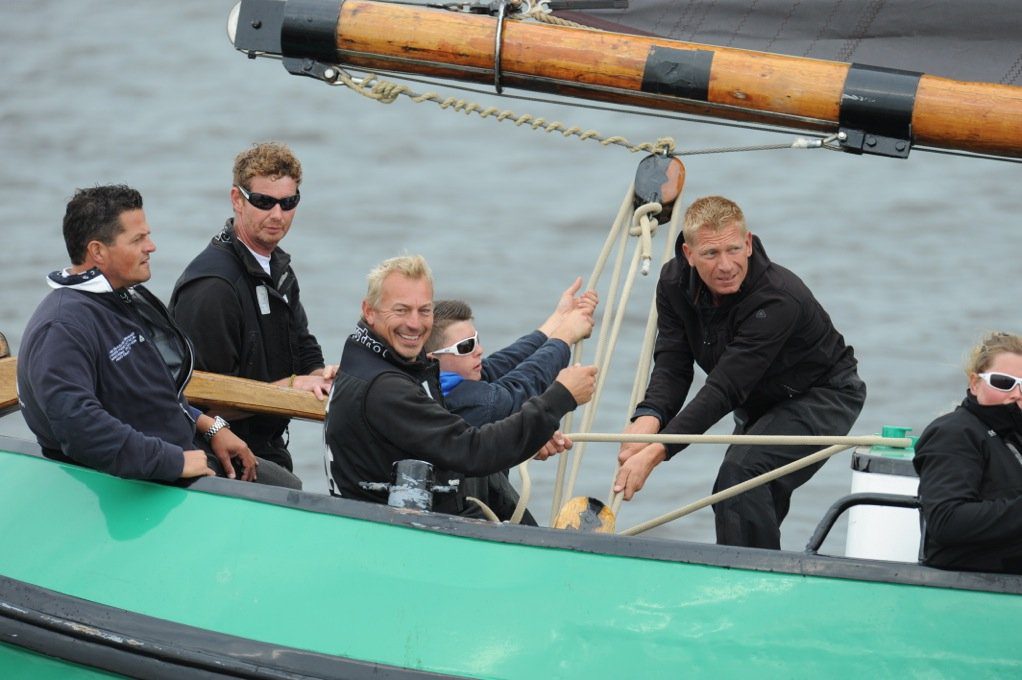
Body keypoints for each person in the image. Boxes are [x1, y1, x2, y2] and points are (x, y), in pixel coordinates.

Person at [614, 195, 866, 549]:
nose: (726, 265)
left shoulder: (777, 298)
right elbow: (672, 363)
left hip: (823, 394)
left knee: (740, 477)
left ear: (748, 244)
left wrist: (658, 451)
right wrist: (649, 417)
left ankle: (748, 584)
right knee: (743, 490)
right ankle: (760, 575)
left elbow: (724, 389)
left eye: (733, 249)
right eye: (711, 254)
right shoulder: (673, 283)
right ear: (688, 254)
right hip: (758, 399)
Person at [17, 185, 299, 487]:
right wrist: (173, 461)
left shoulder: (119, 298)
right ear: (97, 251)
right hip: (149, 477)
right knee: (288, 496)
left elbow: (144, 394)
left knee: (288, 485)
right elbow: (77, 425)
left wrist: (207, 425)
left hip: (182, 446)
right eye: (138, 239)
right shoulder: (62, 327)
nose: (151, 246)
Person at [323, 254, 598, 518]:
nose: (415, 323)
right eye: (401, 310)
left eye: (425, 310)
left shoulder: (373, 359)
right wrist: (562, 396)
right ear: (369, 311)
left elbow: (496, 369)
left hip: (396, 517)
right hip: (396, 537)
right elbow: (473, 450)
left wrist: (554, 326)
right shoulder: (386, 387)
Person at [171, 142, 336, 474]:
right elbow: (202, 400)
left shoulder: (279, 268)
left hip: (268, 442)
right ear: (237, 199)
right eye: (263, 202)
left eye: (288, 203)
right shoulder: (213, 288)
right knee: (292, 489)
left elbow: (304, 349)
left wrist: (319, 379)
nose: (277, 215)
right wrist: (291, 387)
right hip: (217, 454)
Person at [424, 278, 598, 521]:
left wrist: (557, 320)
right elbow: (516, 390)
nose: (479, 350)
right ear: (433, 360)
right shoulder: (463, 403)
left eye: (477, 340)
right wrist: (565, 336)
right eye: (466, 346)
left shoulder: (445, 382)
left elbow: (504, 364)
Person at [913, 332, 1022, 574]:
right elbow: (946, 520)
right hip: (975, 583)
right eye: (1004, 382)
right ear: (975, 383)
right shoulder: (955, 433)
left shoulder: (1014, 436)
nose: (1016, 393)